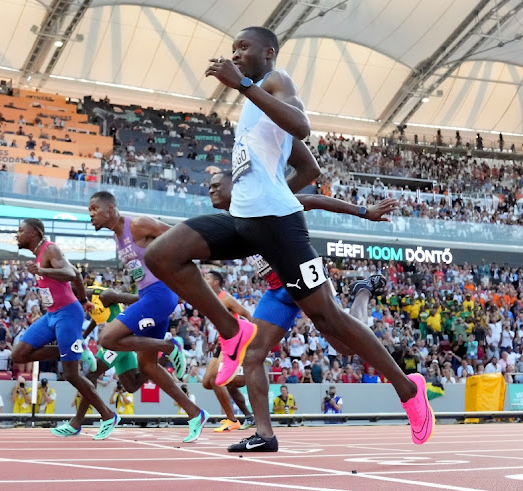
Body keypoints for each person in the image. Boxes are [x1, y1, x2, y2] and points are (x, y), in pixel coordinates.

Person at [145, 26, 433, 448]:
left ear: (268, 52)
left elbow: (301, 127)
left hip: (278, 226)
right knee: (162, 254)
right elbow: (306, 168)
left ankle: (408, 390)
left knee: (329, 321)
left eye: (244, 48)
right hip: (246, 222)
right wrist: (272, 182)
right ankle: (231, 333)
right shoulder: (252, 109)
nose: (236, 54)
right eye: (232, 50)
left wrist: (243, 85)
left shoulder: (274, 83)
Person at [88, 192, 209, 442]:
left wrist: (179, 273)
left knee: (107, 339)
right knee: (147, 367)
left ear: (110, 208)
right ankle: (195, 413)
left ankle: (169, 346)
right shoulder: (117, 236)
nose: (90, 215)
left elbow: (180, 236)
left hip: (159, 295)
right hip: (148, 297)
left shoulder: (138, 224)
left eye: (93, 209)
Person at [11, 218, 119, 440]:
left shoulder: (50, 249)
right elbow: (77, 275)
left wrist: (41, 270)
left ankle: (108, 415)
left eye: (20, 231)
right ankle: (72, 348)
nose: (16, 234)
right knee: (18, 354)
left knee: (71, 374)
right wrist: (83, 300)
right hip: (51, 316)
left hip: (67, 315)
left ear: (34, 232)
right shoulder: (40, 254)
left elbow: (70, 274)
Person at [53, 287, 146, 436]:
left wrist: (153, 299)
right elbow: (97, 319)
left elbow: (136, 298)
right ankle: (157, 360)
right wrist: (84, 336)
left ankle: (78, 422)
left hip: (119, 340)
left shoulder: (105, 295)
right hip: (119, 341)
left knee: (91, 375)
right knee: (131, 385)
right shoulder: (87, 301)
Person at [202, 270, 254, 432]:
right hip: (221, 344)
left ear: (216, 282)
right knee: (207, 383)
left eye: (208, 278)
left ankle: (232, 420)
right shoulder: (210, 299)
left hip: (234, 343)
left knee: (217, 380)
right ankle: (249, 416)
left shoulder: (225, 298)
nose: (205, 280)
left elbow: (246, 315)